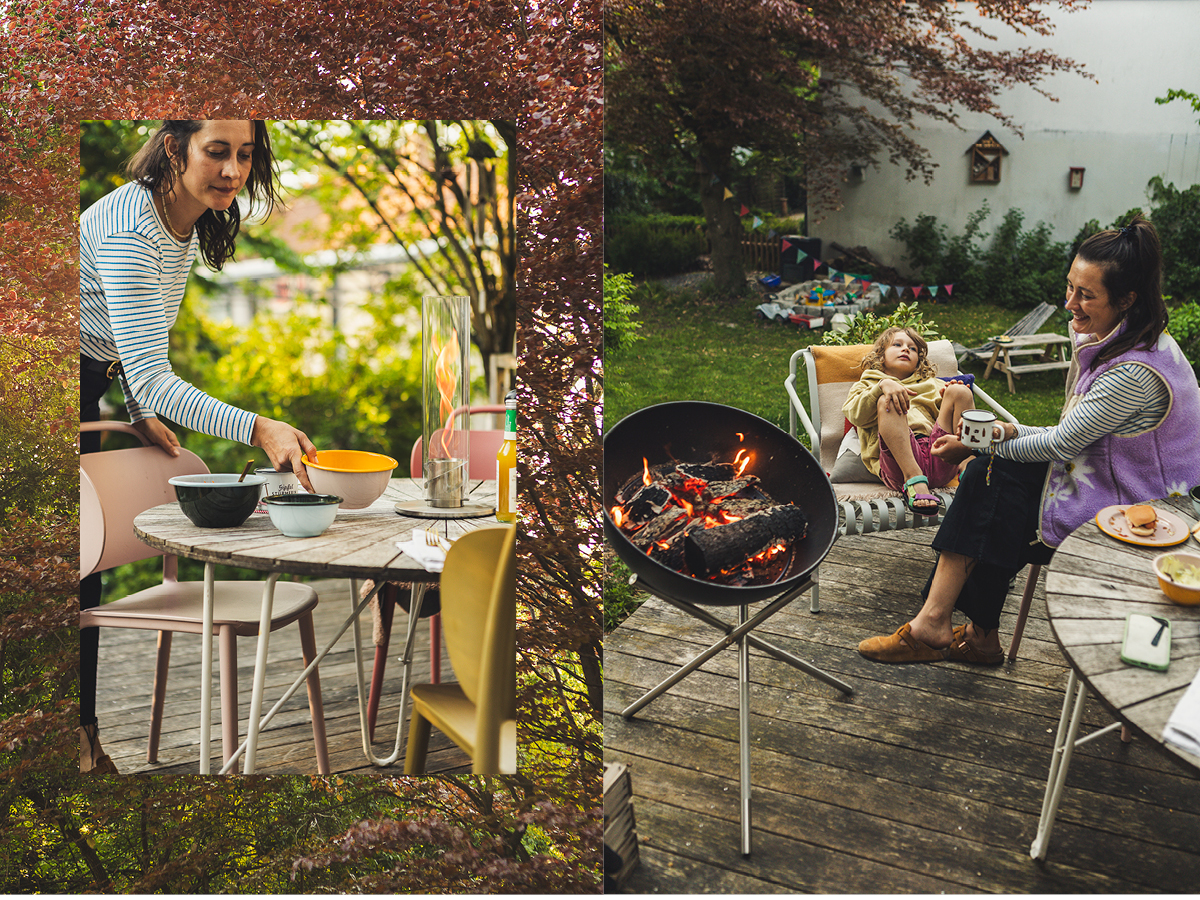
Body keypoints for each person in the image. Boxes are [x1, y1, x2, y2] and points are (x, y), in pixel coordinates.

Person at [79, 120, 318, 772]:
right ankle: (72, 743)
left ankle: (81, 738)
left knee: (83, 577)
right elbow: (154, 370)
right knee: (68, 574)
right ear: (173, 147)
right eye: (218, 152)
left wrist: (138, 408)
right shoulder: (134, 230)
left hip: (90, 375)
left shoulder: (179, 222)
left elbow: (135, 348)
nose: (234, 171)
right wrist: (258, 426)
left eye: (245, 155)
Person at [858, 216, 1200, 665]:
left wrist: (982, 445)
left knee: (993, 486)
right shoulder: (1119, 340)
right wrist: (1005, 433)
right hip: (1104, 480)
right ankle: (962, 632)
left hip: (1147, 506)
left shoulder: (1135, 372)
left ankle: (940, 627)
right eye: (1070, 287)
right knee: (993, 480)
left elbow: (1061, 444)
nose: (1070, 303)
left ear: (1127, 299)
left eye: (1086, 294)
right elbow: (1074, 434)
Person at [842, 326, 975, 516]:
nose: (906, 349)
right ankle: (915, 478)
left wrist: (948, 398)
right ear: (881, 355)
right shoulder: (867, 384)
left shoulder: (931, 383)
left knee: (960, 391)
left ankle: (968, 464)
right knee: (888, 400)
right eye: (897, 344)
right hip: (900, 466)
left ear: (919, 361)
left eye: (912, 349)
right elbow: (855, 415)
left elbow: (949, 421)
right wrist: (882, 386)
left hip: (941, 453)